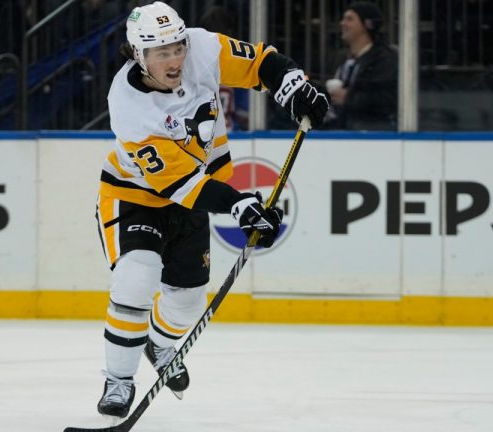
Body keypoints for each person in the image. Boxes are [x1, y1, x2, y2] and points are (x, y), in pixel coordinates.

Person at [94, 1, 328, 420]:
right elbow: (178, 184)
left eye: (177, 47)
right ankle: (118, 380)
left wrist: (292, 86)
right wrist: (238, 205)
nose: (175, 59)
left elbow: (261, 62)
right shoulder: (127, 103)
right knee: (137, 276)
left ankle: (161, 345)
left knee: (186, 302)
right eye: (161, 52)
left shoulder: (202, 48)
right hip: (135, 198)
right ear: (137, 54)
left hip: (196, 195)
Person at [328, 2, 397, 130]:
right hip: (342, 132)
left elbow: (386, 101)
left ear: (366, 25)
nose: (342, 23)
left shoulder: (383, 60)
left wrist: (348, 98)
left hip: (373, 135)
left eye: (349, 19)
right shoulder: (340, 58)